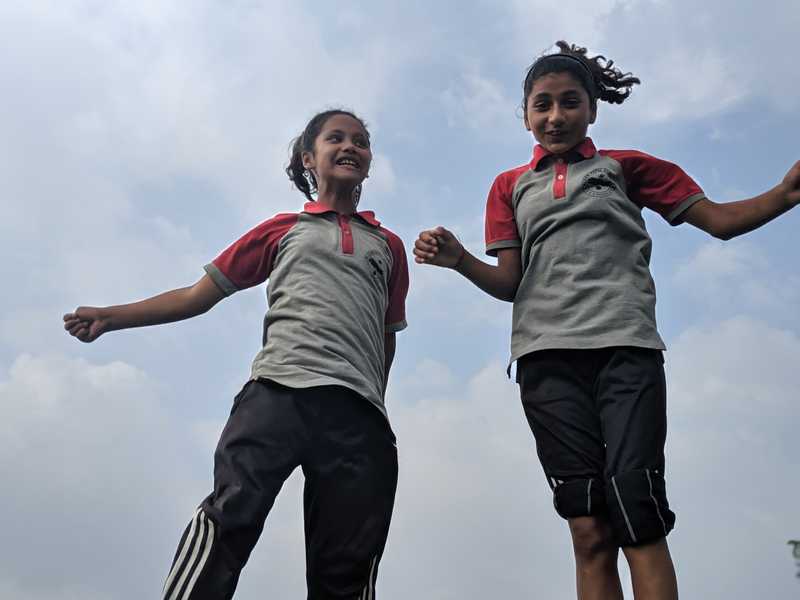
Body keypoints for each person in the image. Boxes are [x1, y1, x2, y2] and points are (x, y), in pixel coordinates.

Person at [413, 41, 800, 600]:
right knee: (589, 527)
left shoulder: (627, 168)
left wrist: (786, 194)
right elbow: (509, 285)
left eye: (570, 102)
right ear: (524, 115)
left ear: (592, 109)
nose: (555, 116)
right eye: (541, 105)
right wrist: (459, 261)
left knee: (635, 504)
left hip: (626, 350)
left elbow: (720, 221)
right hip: (546, 362)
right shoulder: (509, 187)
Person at [64, 109, 409, 600]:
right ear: (309, 159)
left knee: (349, 561)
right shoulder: (282, 229)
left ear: (370, 163)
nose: (350, 146)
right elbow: (195, 296)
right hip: (277, 394)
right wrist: (112, 315)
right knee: (231, 517)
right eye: (336, 138)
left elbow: (386, 335)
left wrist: (375, 402)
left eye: (360, 141)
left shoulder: (387, 246)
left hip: (358, 415)